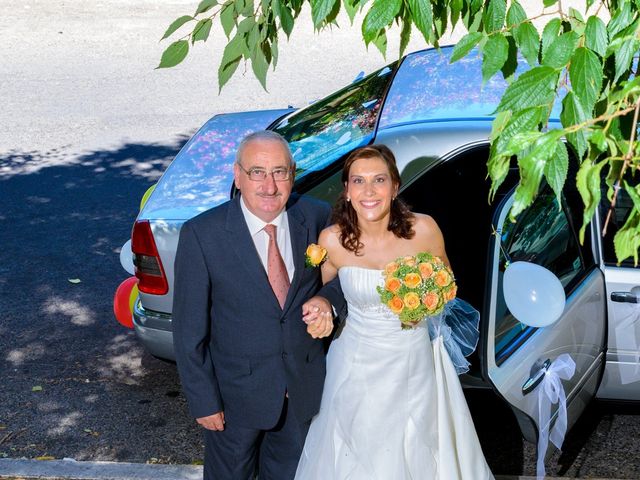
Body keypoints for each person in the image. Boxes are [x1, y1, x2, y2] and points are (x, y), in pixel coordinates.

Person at [295, 145, 494, 479]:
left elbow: (448, 286)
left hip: (412, 361)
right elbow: (332, 296)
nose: (369, 191)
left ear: (395, 186)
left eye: (379, 180)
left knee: (416, 449)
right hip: (354, 365)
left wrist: (424, 302)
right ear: (346, 191)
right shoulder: (331, 240)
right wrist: (321, 311)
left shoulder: (424, 229)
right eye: (358, 181)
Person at [172, 130, 343, 480]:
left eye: (280, 172)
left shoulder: (315, 217)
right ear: (238, 175)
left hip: (301, 390)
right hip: (234, 400)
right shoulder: (202, 234)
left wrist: (328, 301)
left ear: (292, 174)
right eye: (257, 172)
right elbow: (188, 330)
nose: (270, 185)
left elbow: (343, 278)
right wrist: (204, 401)